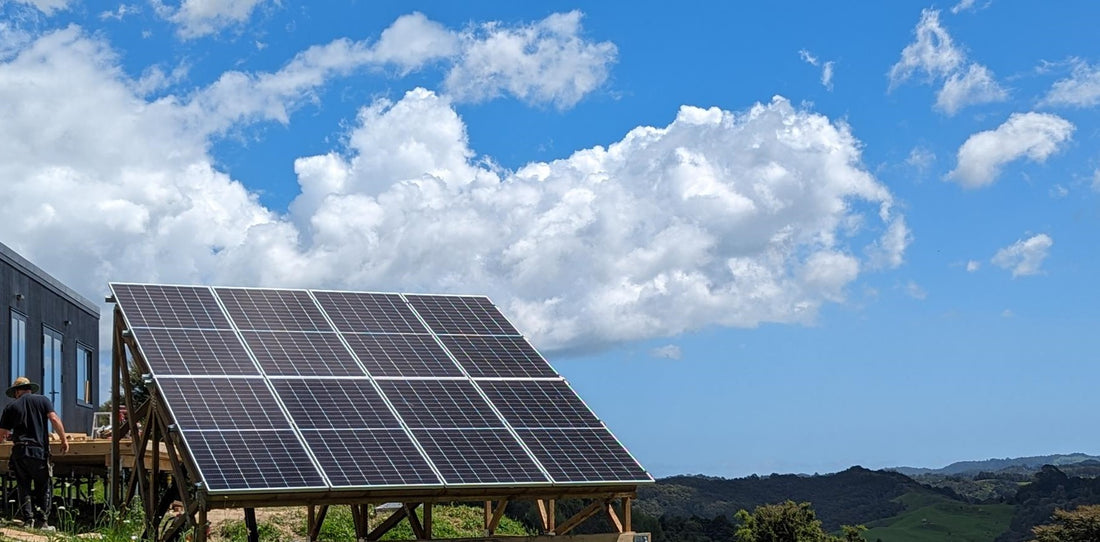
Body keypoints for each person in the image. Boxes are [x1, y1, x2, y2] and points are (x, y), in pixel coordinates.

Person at [0, 377, 69, 531]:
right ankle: (42, 522)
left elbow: (2, 433)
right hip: (38, 450)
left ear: (17, 392)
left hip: (19, 451)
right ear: (29, 389)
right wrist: (64, 439)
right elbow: (54, 418)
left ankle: (28, 521)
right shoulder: (43, 401)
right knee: (43, 487)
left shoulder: (11, 407)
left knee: (23, 486)